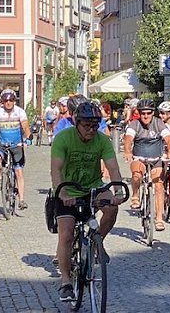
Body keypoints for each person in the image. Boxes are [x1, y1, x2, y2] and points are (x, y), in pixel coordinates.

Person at [51, 100, 125, 302]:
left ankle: (96, 243)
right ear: (77, 123)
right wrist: (62, 193)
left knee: (111, 208)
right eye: (87, 125)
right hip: (67, 190)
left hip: (92, 186)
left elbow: (114, 168)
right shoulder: (63, 138)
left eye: (95, 125)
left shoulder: (102, 140)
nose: (92, 130)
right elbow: (55, 169)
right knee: (66, 234)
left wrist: (118, 191)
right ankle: (66, 282)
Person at [124, 98, 170, 231]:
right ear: (139, 113)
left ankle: (159, 219)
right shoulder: (134, 125)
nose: (145, 116)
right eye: (143, 113)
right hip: (139, 157)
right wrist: (128, 152)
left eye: (148, 113)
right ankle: (135, 195)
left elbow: (168, 139)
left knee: (158, 185)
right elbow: (128, 139)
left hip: (156, 158)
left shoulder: (159, 124)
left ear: (153, 113)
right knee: (136, 173)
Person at [0, 89, 32, 209]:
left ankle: (22, 200)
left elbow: (25, 126)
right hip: (2, 143)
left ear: (14, 101)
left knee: (18, 172)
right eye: (6, 100)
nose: (8, 102)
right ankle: (1, 177)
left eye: (11, 100)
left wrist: (28, 138)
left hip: (17, 144)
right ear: (2, 101)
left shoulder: (20, 112)